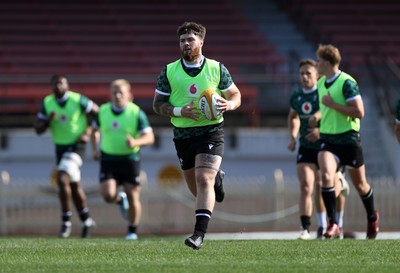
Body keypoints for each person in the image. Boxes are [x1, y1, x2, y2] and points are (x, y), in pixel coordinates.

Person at [152, 21, 241, 249]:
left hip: (211, 132)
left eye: (190, 40)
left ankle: (198, 234)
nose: (186, 44)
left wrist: (228, 105)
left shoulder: (216, 68)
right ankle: (217, 179)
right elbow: (157, 105)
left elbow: (235, 94)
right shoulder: (169, 71)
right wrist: (181, 111)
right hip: (183, 135)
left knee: (203, 179)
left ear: (201, 42)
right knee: (196, 187)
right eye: (182, 40)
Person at [315, 44, 379, 239]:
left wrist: (333, 105)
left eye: (318, 61)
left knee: (361, 185)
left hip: (349, 139)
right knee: (326, 175)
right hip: (328, 139)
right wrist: (317, 119)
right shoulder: (320, 83)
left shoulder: (346, 82)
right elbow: (324, 111)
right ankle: (333, 223)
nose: (316, 64)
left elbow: (359, 112)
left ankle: (372, 216)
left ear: (326, 62)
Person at [288, 59, 348, 240]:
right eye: (302, 73)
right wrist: (293, 136)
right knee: (307, 185)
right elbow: (293, 116)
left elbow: (333, 114)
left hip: (328, 144)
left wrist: (320, 130)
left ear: (317, 75)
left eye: (308, 73)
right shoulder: (297, 95)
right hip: (306, 147)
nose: (304, 77)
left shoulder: (324, 90)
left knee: (326, 185)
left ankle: (337, 223)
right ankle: (308, 228)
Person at [34, 74, 98, 238]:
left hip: (77, 147)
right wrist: (48, 120)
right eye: (55, 84)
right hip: (60, 149)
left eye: (61, 83)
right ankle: (86, 220)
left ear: (67, 85)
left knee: (62, 179)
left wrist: (88, 131)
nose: (59, 86)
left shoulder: (78, 100)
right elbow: (38, 129)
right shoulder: (48, 102)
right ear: (52, 87)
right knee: (74, 186)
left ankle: (65, 222)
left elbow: (98, 113)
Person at [91, 79, 154, 240]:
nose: (118, 95)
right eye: (114, 92)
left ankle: (132, 231)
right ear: (110, 95)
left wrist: (135, 142)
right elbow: (94, 131)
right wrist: (94, 149)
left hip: (130, 159)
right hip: (108, 159)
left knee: (133, 196)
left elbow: (149, 137)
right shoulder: (103, 111)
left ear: (129, 95)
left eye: (121, 92)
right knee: (107, 195)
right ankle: (119, 200)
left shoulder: (136, 112)